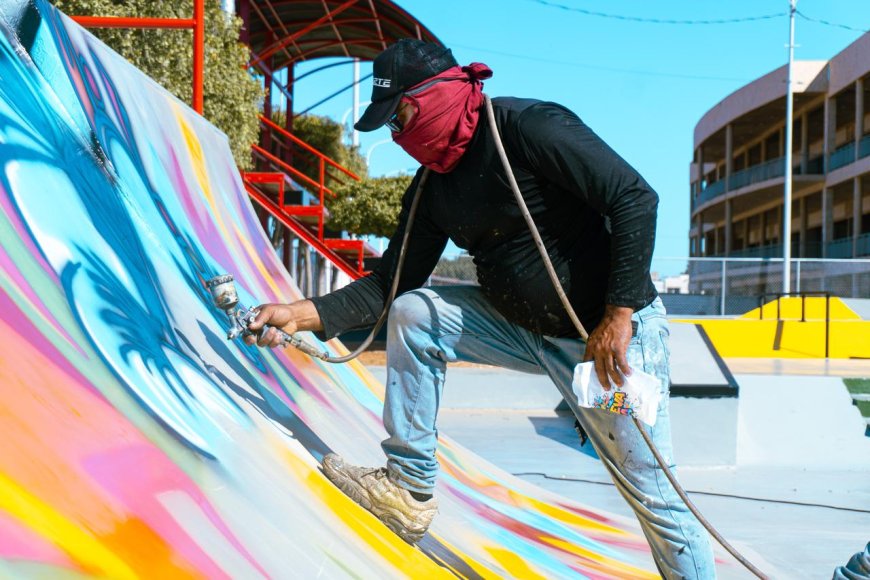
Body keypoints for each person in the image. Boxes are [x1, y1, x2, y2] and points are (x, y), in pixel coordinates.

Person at [246, 39, 716, 577]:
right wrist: (296, 313)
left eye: (399, 117)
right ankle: (408, 488)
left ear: (437, 95)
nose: (399, 138)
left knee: (653, 495)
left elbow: (634, 196)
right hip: (521, 332)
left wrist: (618, 314)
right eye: (390, 129)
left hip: (607, 347)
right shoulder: (432, 189)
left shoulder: (527, 127)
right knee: (416, 311)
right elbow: (387, 287)